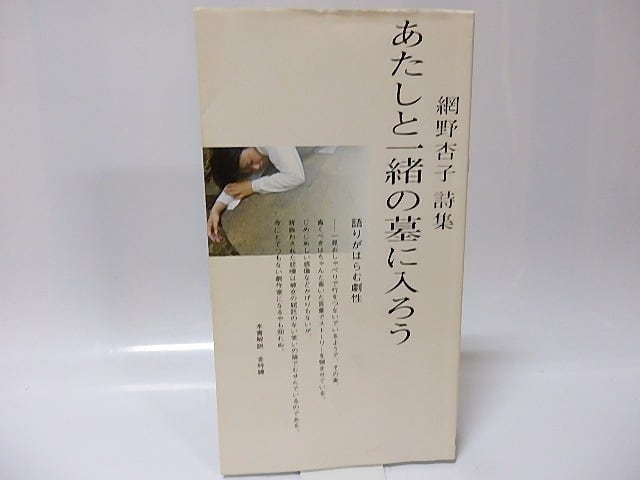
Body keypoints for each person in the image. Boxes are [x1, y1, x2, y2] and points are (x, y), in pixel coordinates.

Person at [207, 146, 305, 242]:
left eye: (250, 162)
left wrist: (253, 186)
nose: (256, 167)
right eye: (249, 169)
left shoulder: (271, 143)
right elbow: (241, 183)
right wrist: (216, 209)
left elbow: (295, 177)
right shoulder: (255, 151)